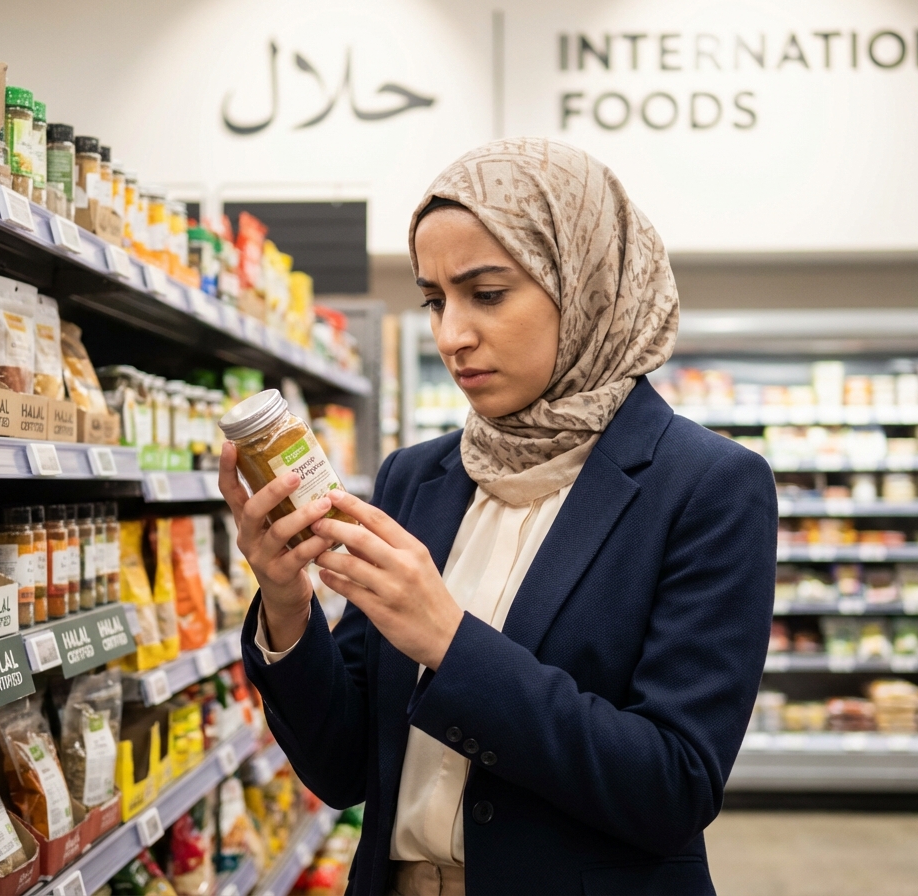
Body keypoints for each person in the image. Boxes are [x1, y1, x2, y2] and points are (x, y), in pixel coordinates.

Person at [220, 138, 776, 895]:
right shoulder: (417, 478)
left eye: (486, 294)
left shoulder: (707, 487)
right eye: (433, 300)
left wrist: (450, 642)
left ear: (584, 285)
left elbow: (672, 788)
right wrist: (287, 605)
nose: (451, 335)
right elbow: (345, 767)